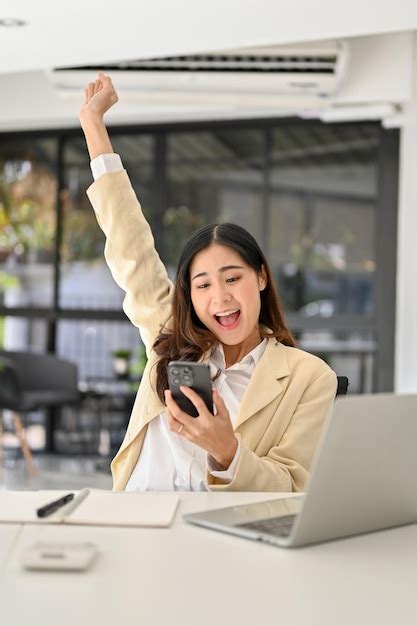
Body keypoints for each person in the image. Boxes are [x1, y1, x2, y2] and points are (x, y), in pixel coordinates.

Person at [79, 72, 337, 492]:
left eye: (232, 278)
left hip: (213, 540)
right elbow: (131, 248)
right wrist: (94, 125)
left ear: (261, 277)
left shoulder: (309, 378)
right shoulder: (171, 337)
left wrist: (227, 452)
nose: (220, 298)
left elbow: (294, 489)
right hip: (133, 521)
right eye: (202, 285)